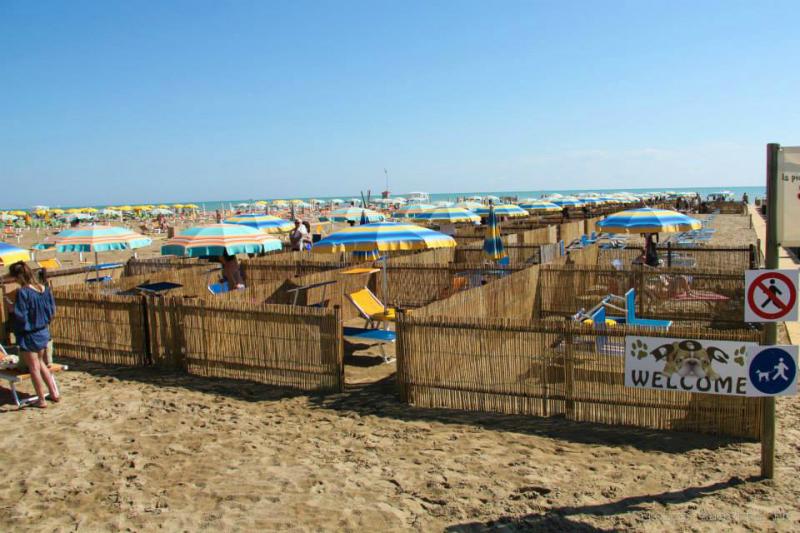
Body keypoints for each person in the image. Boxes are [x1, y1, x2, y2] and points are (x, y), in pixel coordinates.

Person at [9, 261, 59, 408]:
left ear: (17, 277)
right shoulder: (44, 289)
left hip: (29, 334)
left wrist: (12, 308)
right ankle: (54, 393)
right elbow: (52, 311)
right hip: (43, 331)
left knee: (34, 367)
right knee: (41, 363)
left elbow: (21, 315)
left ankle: (41, 400)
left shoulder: (23, 292)